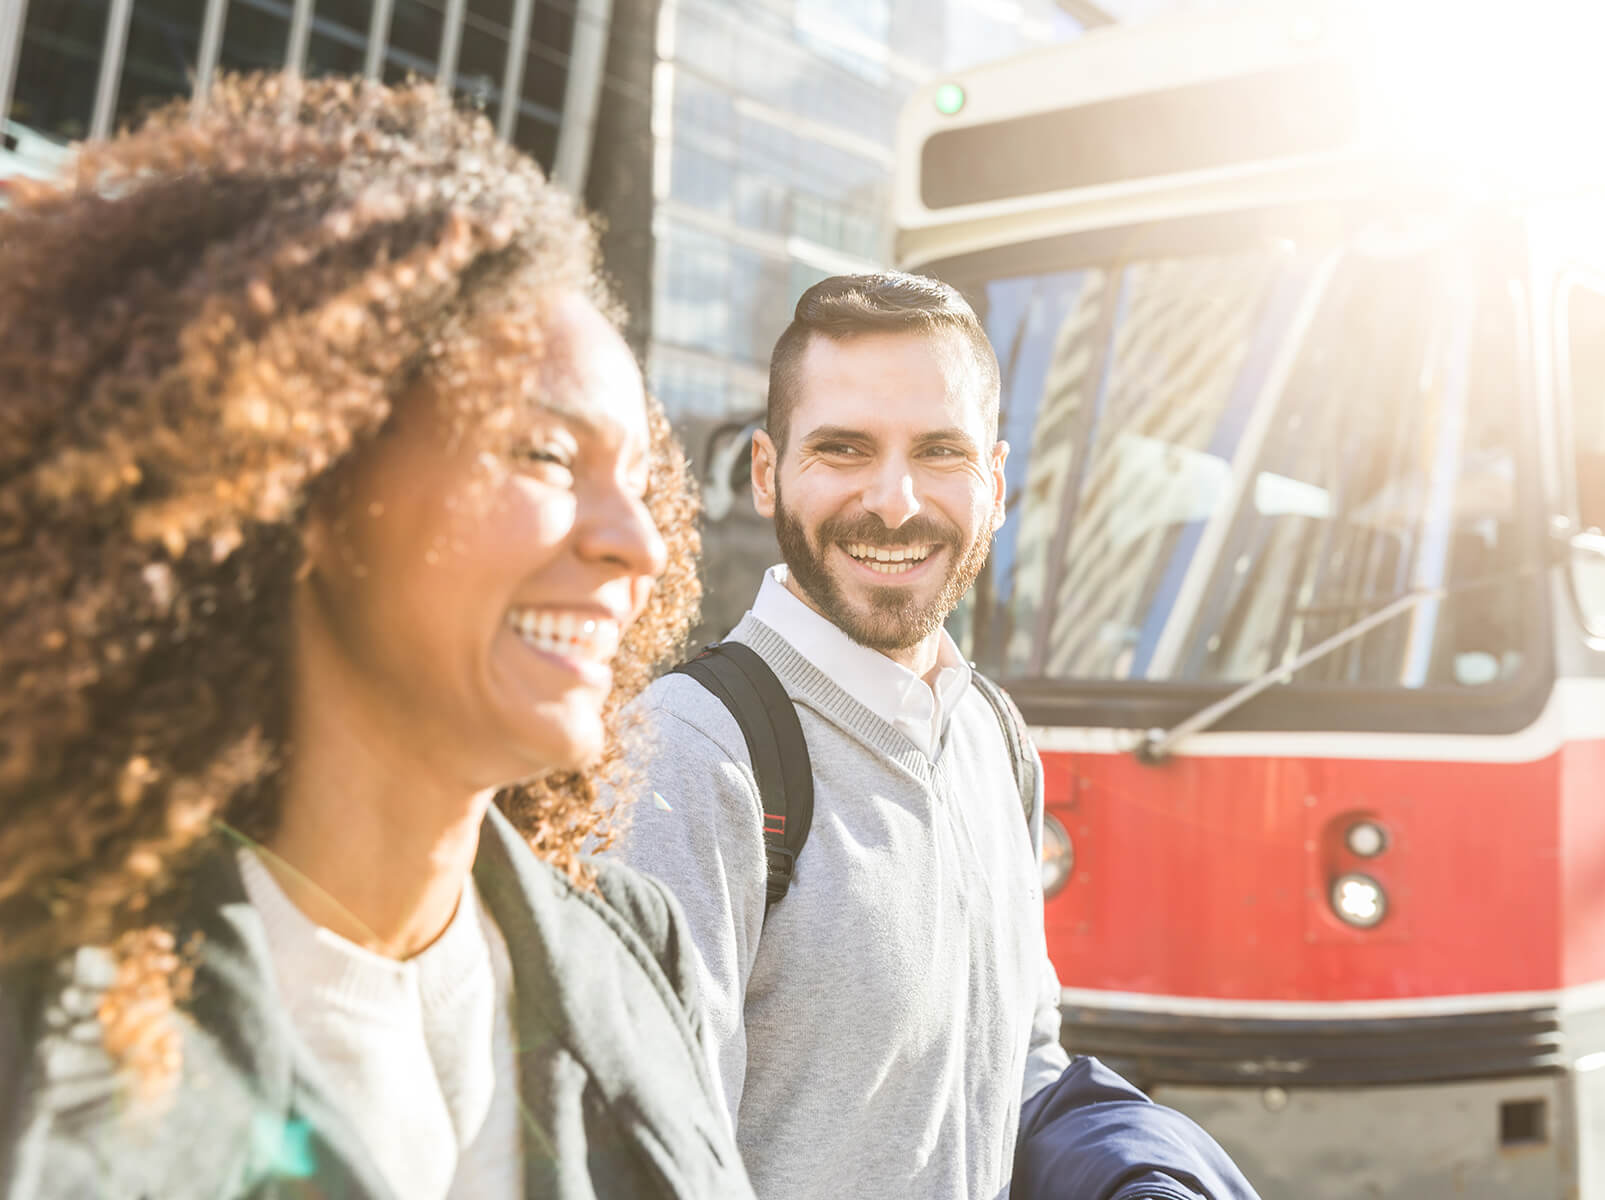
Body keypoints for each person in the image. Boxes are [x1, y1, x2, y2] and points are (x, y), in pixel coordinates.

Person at [0, 75, 752, 1200]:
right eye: (546, 455)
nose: (637, 546)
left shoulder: (642, 959)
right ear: (310, 474)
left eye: (642, 484)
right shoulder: (40, 997)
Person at [617, 271, 1071, 1199]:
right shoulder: (692, 754)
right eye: (844, 448)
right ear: (763, 471)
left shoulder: (993, 736)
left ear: (994, 476)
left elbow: (1022, 1063)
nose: (895, 500)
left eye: (939, 450)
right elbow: (646, 1171)